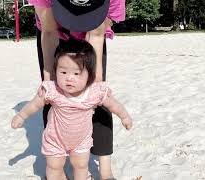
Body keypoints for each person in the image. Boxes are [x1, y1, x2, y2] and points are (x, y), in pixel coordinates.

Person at [30, 0, 126, 179]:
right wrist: (49, 82)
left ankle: (106, 171)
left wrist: (96, 86)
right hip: (52, 32)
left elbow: (96, 35)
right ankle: (56, 166)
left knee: (98, 96)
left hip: (92, 35)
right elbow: (49, 32)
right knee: (51, 94)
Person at [11, 40, 132, 180]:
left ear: (90, 75)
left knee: (80, 166)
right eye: (63, 72)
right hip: (55, 139)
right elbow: (34, 105)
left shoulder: (94, 92)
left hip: (81, 140)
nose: (69, 78)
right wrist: (21, 116)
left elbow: (114, 105)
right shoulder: (53, 90)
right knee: (54, 166)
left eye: (76, 73)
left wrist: (124, 117)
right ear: (55, 70)